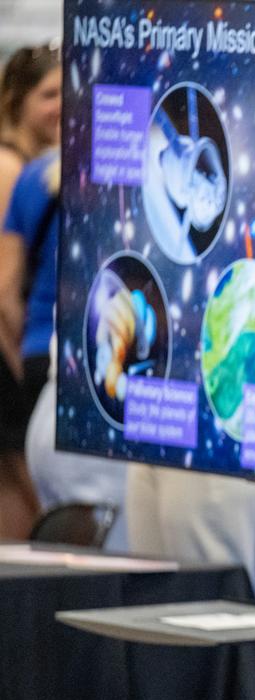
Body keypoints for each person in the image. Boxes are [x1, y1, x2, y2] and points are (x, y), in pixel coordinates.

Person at [0, 43, 61, 538]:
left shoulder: (34, 167)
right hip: (20, 352)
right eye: (50, 93)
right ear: (18, 100)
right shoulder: (12, 170)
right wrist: (22, 363)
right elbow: (4, 289)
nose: (62, 105)